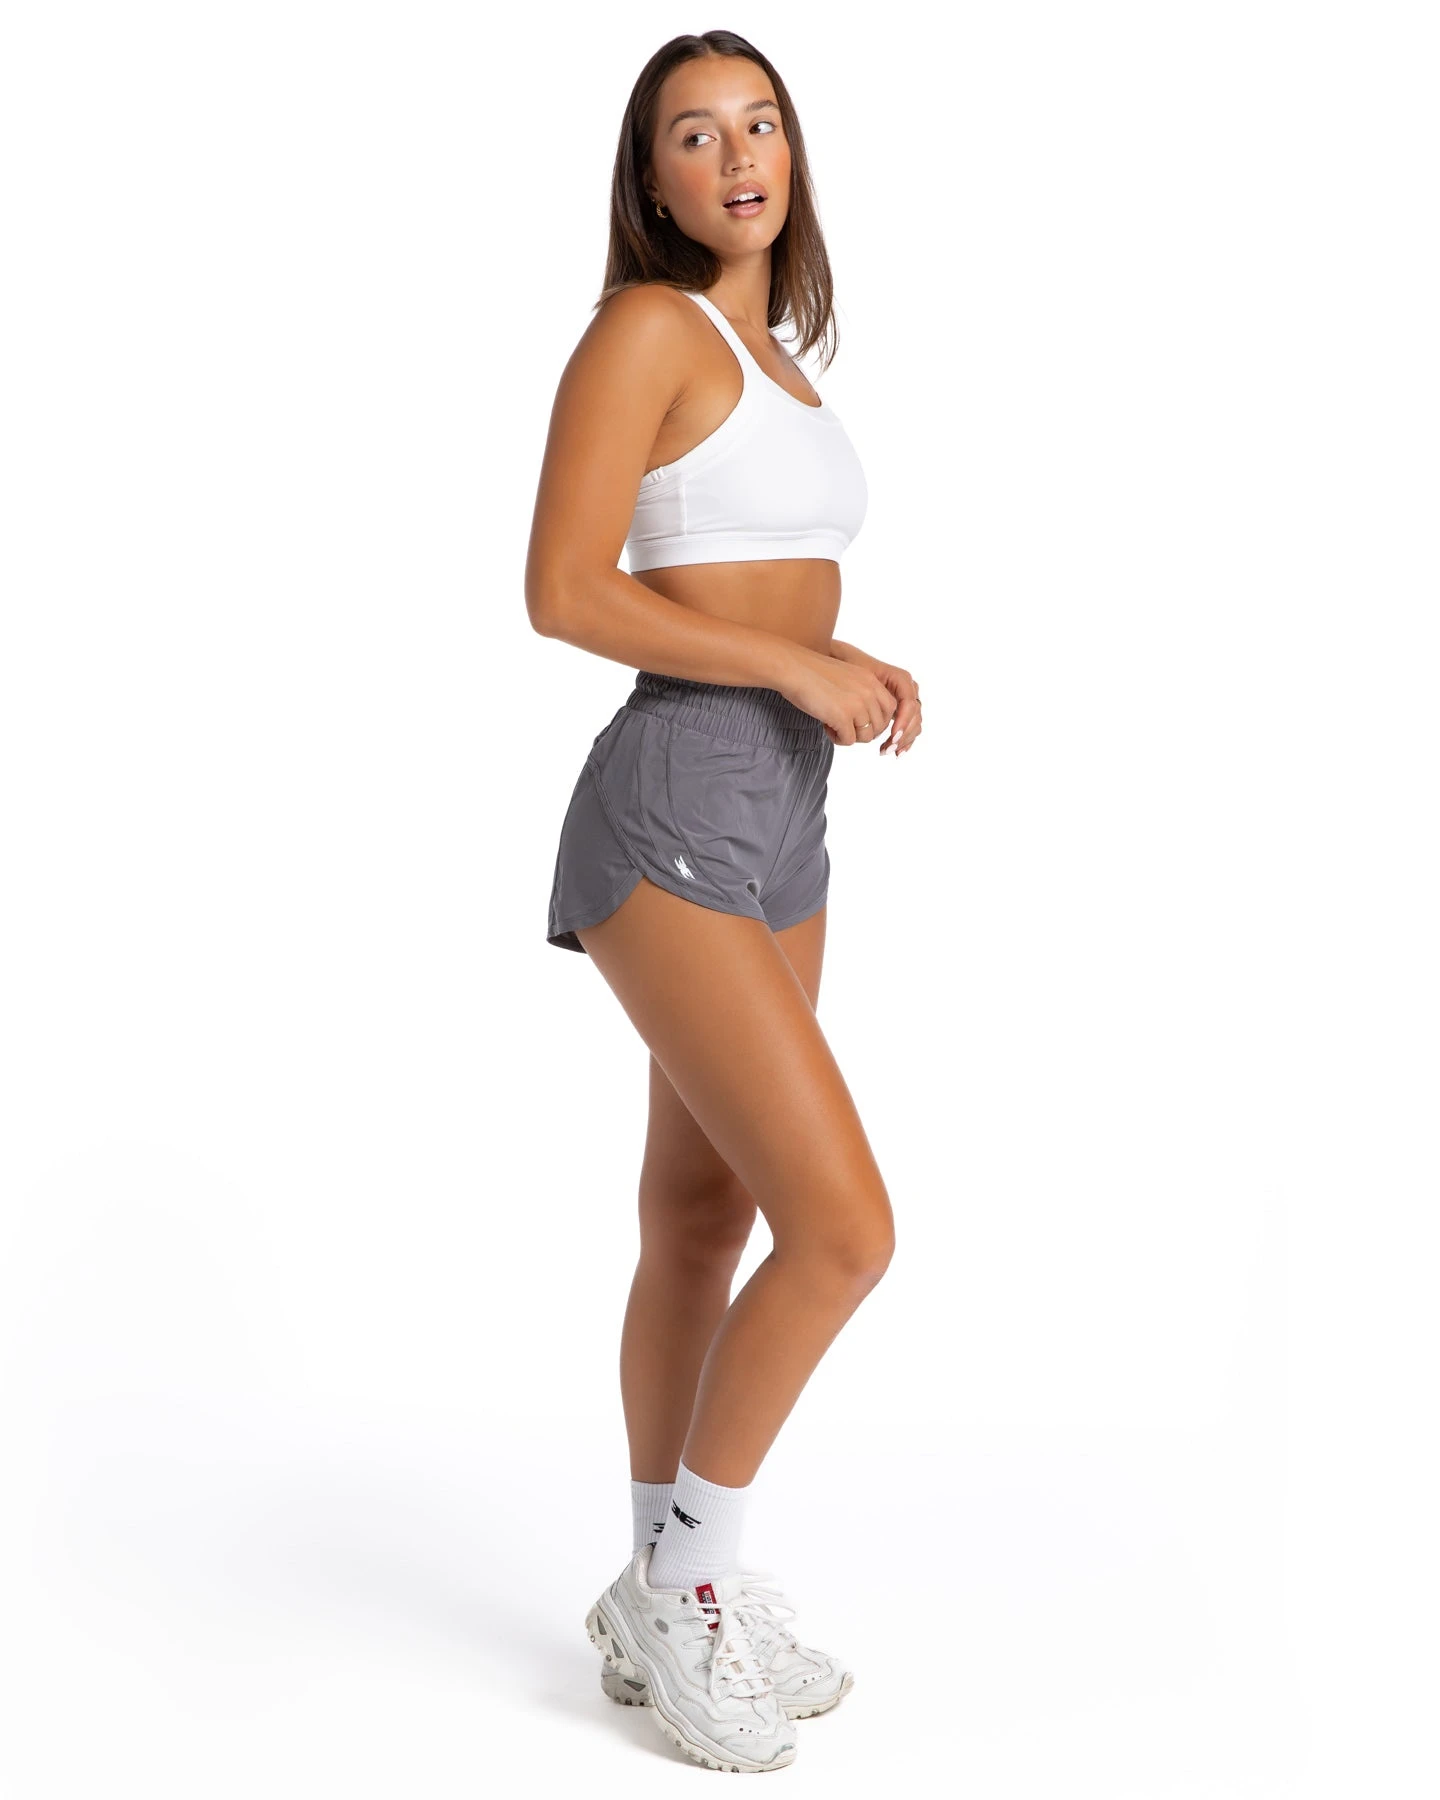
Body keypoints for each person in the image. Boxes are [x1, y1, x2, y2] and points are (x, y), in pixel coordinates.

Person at [525, 30, 922, 1775]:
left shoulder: (778, 362)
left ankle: (651, 1585)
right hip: (676, 789)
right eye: (696, 134)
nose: (739, 154)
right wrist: (785, 663)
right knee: (845, 1230)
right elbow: (561, 591)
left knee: (704, 1218)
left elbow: (744, 574)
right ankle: (692, 1580)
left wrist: (838, 660)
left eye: (761, 122)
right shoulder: (646, 330)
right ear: (653, 177)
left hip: (787, 804)